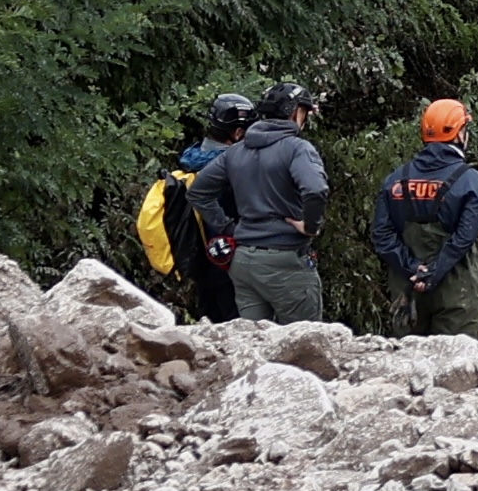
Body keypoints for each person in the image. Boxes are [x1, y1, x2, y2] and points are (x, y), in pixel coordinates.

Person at [374, 100, 478, 339]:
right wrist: (433, 273)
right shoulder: (471, 181)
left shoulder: (395, 180)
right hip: (455, 292)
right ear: (459, 133)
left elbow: (381, 236)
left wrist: (413, 268)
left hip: (407, 289)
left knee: (405, 364)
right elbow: (464, 238)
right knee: (456, 366)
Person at [215, 83, 332, 323]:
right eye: (304, 111)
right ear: (294, 112)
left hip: (244, 261)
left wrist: (228, 228)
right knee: (304, 342)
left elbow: (198, 192)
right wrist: (310, 226)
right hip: (285, 261)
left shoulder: (235, 152)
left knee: (255, 342)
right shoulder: (298, 149)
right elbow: (315, 189)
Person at [137, 98, 244, 321]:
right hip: (229, 263)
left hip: (201, 262)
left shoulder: (193, 158)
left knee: (210, 325)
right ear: (237, 133)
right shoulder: (229, 168)